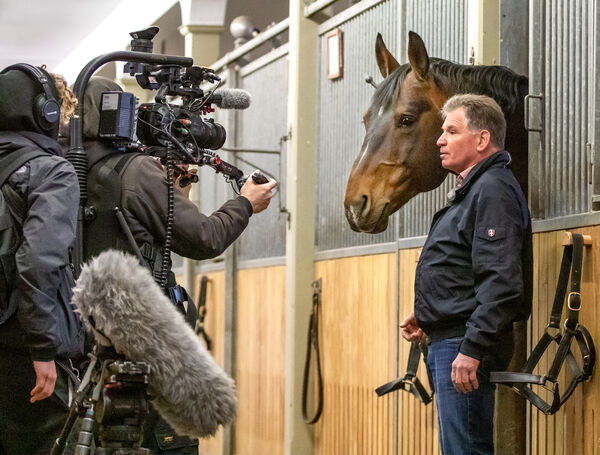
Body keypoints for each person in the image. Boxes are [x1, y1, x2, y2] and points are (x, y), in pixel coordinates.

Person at [73, 77, 276, 453]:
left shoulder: (70, 171)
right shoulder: (136, 171)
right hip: (145, 345)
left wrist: (173, 190)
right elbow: (204, 237)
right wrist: (246, 203)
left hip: (83, 342)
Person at [400, 94, 532, 455]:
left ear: (481, 139)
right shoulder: (474, 189)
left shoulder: (492, 190)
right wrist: (431, 313)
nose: (440, 139)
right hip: (451, 339)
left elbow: (502, 282)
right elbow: (467, 266)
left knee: (466, 450)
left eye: (451, 131)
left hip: (464, 345)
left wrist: (472, 347)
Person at [0, 64, 84, 454]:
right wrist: (42, 349)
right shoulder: (52, 172)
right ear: (45, 114)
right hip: (22, 354)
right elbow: (38, 263)